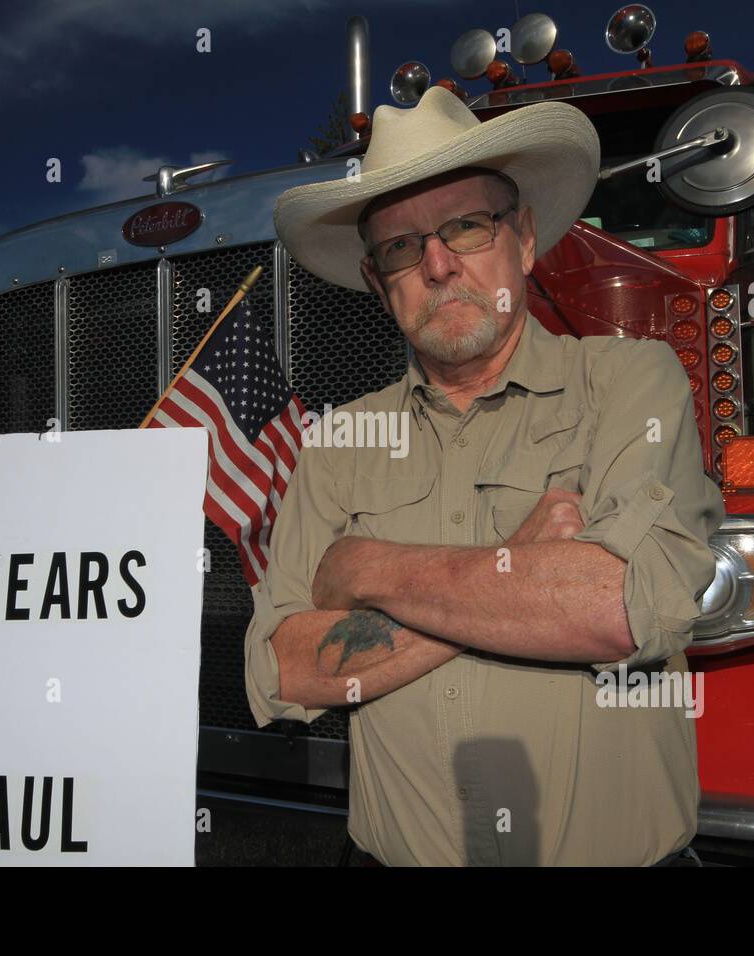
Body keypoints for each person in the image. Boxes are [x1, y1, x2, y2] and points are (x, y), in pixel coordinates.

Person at [244, 85, 726, 865]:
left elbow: (623, 606)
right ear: (378, 281)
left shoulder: (630, 380)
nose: (437, 265)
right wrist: (523, 566)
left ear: (525, 238)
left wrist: (367, 567)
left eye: (466, 226)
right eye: (401, 247)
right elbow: (285, 668)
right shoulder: (338, 442)